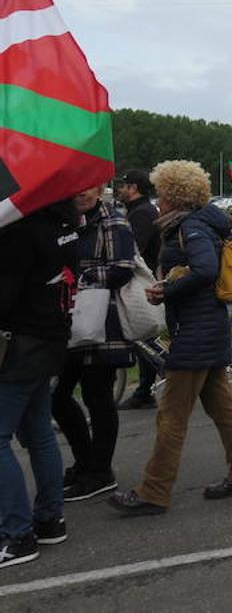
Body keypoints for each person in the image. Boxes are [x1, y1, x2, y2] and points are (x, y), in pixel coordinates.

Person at [109, 160, 232, 516]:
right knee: (223, 408)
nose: (157, 200)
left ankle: (153, 491)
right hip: (208, 327)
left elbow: (205, 270)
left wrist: (167, 289)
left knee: (171, 416)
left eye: (162, 193)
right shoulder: (204, 220)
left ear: (176, 195)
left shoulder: (191, 226)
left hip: (196, 329)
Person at [0, 200, 78, 567]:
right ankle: (49, 518)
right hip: (52, 338)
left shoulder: (20, 230)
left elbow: (5, 296)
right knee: (38, 433)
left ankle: (18, 534)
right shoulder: (66, 223)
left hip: (20, 345)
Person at [51, 186, 137, 501]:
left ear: (99, 189)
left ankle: (100, 471)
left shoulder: (112, 220)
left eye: (88, 189)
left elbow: (123, 268)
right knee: (57, 396)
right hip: (71, 318)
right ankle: (86, 461)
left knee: (97, 395)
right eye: (74, 190)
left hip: (102, 320)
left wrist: (80, 276)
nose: (81, 194)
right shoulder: (64, 221)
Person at [116, 169, 160, 410]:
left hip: (142, 283)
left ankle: (148, 387)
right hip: (142, 281)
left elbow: (135, 250)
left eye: (123, 186)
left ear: (133, 188)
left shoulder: (142, 214)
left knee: (142, 334)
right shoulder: (138, 211)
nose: (120, 190)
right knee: (144, 337)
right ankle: (145, 390)